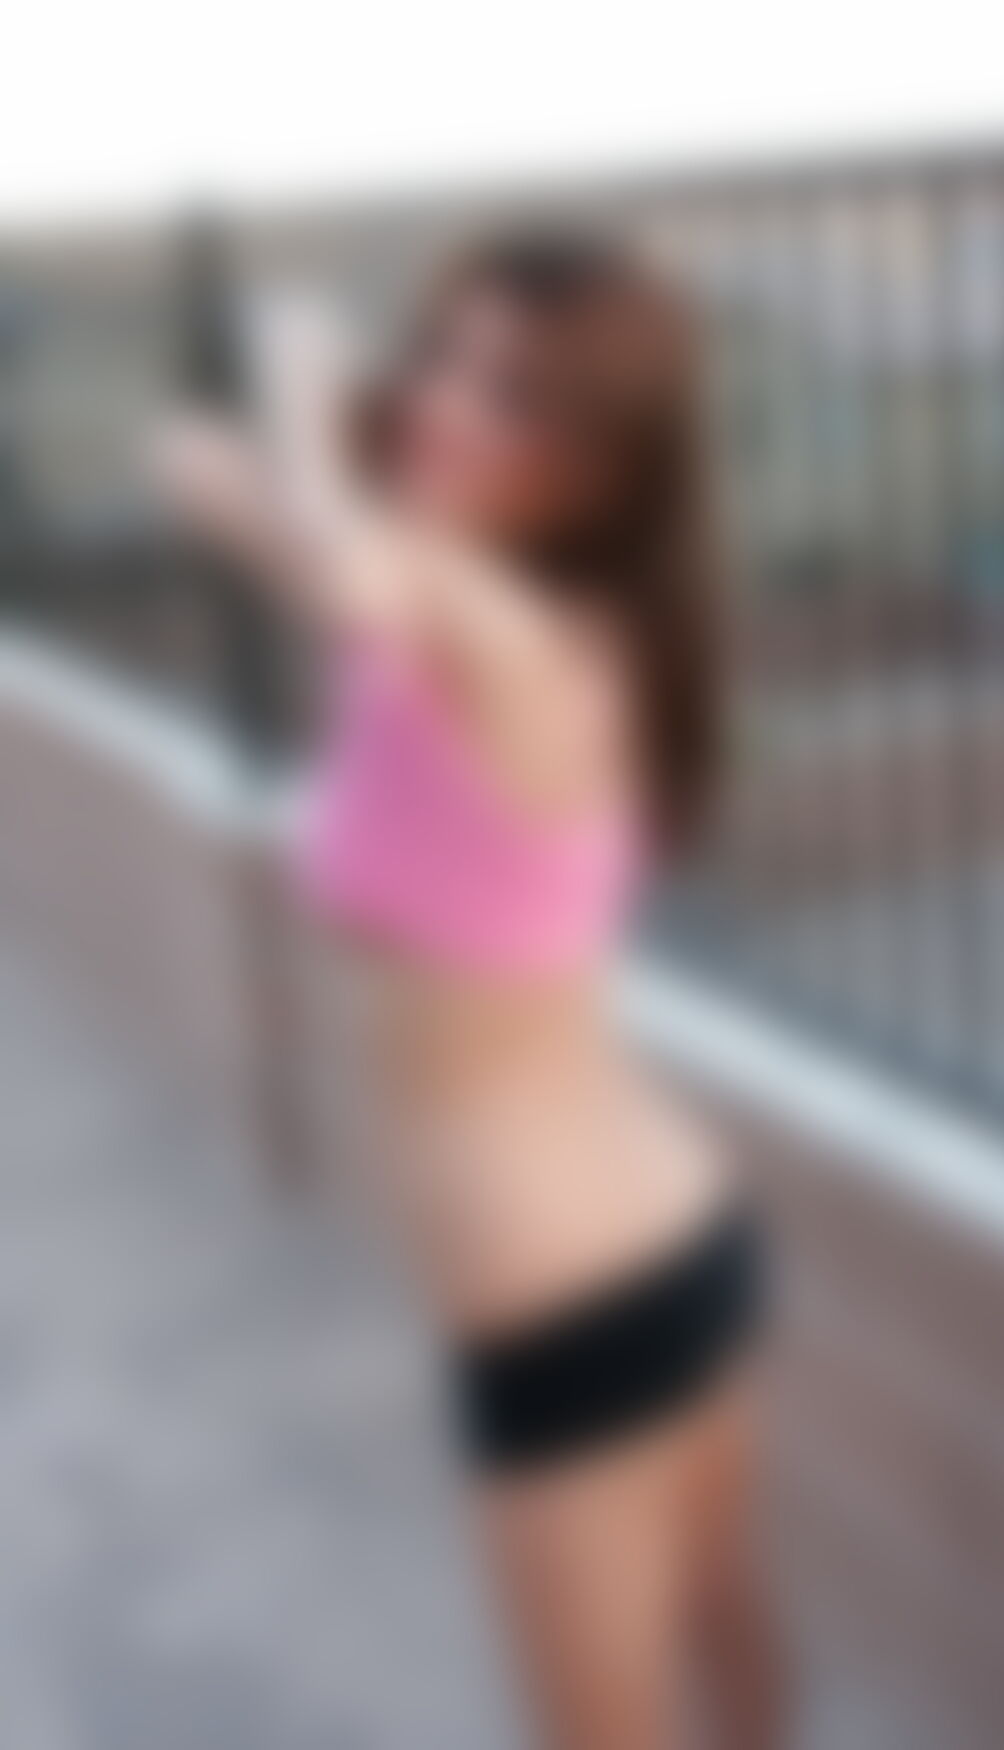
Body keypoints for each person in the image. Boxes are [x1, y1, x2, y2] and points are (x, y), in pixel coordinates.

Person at [154, 227, 780, 1749]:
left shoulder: (536, 647)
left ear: (597, 467)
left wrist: (303, 375)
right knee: (725, 1627)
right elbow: (192, 468)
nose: (443, 401)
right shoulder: (430, 608)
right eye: (440, 355)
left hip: (578, 1298)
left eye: (511, 393)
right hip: (654, 1228)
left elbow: (354, 564)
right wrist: (316, 444)